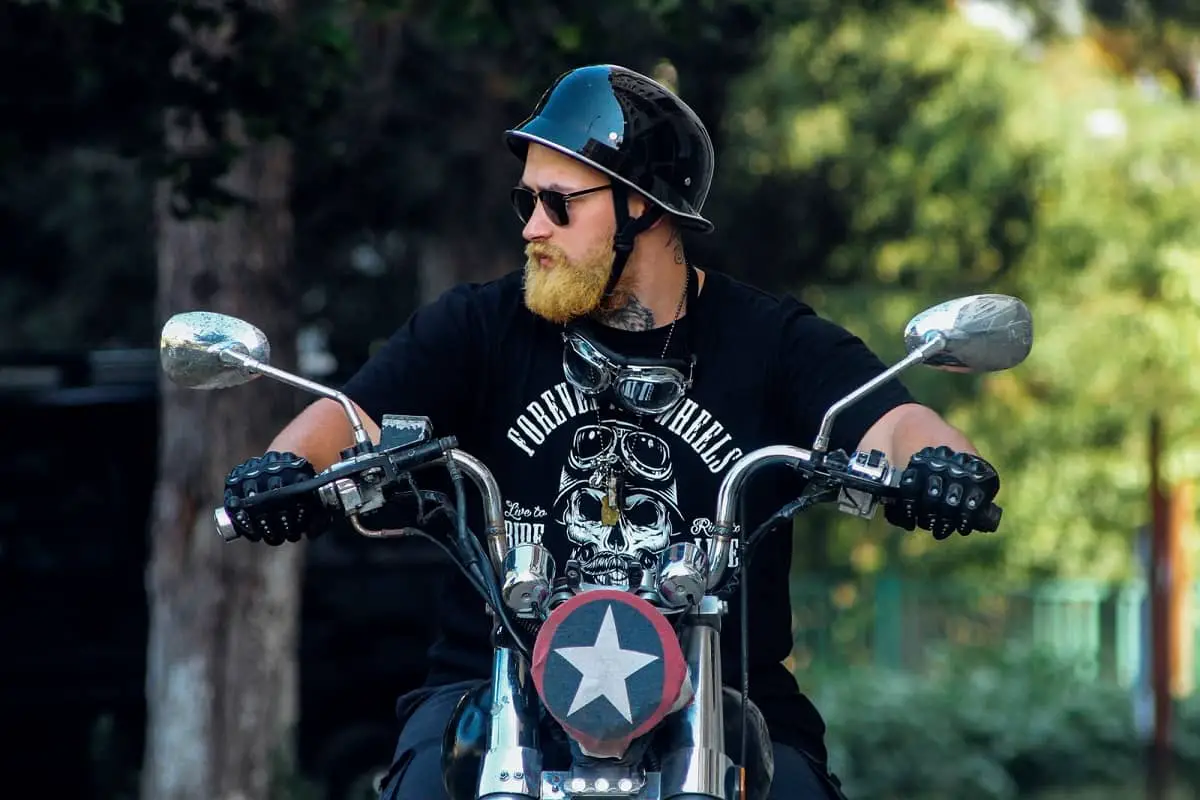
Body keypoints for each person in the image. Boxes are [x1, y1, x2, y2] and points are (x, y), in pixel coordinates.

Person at [221, 64, 1001, 799]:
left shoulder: (770, 341)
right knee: (424, 782)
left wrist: (938, 464)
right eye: (525, 202)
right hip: (492, 688)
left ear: (644, 206)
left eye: (559, 203)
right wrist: (285, 469)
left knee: (792, 782)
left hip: (722, 696)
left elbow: (894, 419)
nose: (532, 226)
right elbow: (349, 414)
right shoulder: (480, 327)